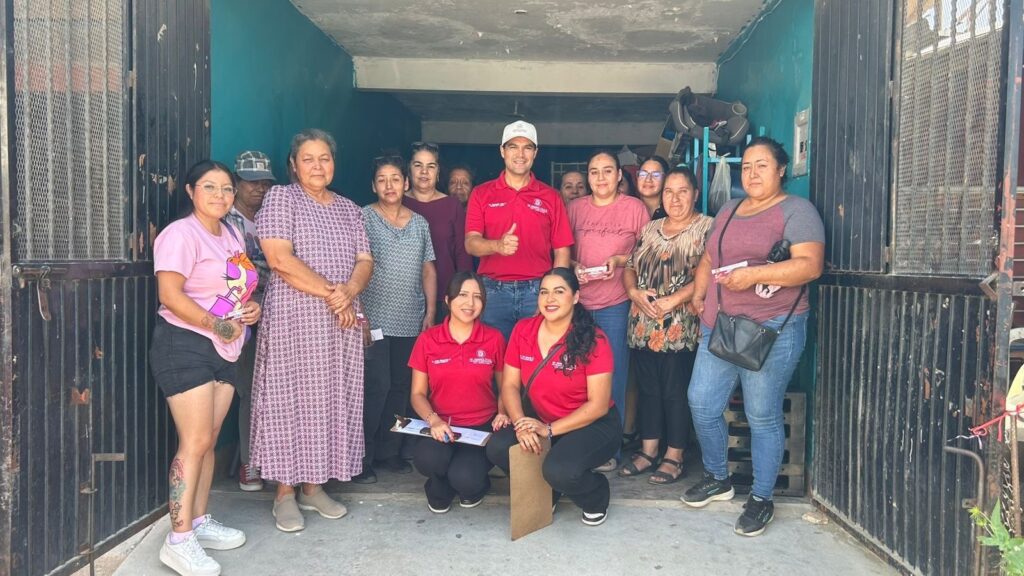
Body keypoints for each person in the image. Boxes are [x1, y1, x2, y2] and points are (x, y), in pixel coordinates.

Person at [683, 137, 824, 537]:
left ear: (781, 169)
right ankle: (718, 477)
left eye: (762, 165)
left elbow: (810, 266)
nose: (752, 173)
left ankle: (761, 498)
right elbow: (709, 258)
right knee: (702, 402)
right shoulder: (729, 210)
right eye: (746, 166)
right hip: (721, 325)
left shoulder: (797, 211)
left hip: (771, 327)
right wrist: (698, 294)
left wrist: (753, 276)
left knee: (761, 414)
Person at [250, 129, 373, 533]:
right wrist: (334, 295)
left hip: (340, 322)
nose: (318, 166)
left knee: (330, 398)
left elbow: (365, 261)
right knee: (290, 399)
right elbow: (279, 259)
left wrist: (349, 291)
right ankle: (284, 492)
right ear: (293, 164)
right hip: (296, 319)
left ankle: (313, 486)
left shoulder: (349, 208)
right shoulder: (281, 198)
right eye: (308, 158)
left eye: (325, 158)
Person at [150, 160, 261, 575]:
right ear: (191, 191)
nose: (220, 195)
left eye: (227, 188)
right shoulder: (180, 234)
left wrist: (251, 308)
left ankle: (197, 521)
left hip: (225, 348)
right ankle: (178, 540)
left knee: (209, 439)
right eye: (210, 187)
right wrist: (216, 324)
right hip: (186, 345)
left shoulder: (231, 233)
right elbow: (170, 294)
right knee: (194, 441)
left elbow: (237, 286)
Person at [486, 268, 621, 527]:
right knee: (499, 447)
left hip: (591, 425)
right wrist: (521, 424)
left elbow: (598, 405)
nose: (549, 299)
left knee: (560, 470)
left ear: (576, 297)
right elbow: (510, 385)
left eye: (559, 292)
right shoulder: (523, 330)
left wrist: (547, 430)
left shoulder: (595, 339)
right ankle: (549, 491)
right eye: (544, 292)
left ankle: (595, 495)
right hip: (541, 418)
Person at [620, 168, 712, 485]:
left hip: (681, 326)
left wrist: (675, 300)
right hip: (643, 325)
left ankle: (675, 455)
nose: (674, 198)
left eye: (682, 191)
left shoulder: (708, 228)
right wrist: (633, 292)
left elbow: (710, 274)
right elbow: (629, 267)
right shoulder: (650, 228)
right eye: (668, 192)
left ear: (695, 194)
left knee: (675, 392)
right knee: (649, 390)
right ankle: (648, 451)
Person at [357, 155, 437, 482]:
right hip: (373, 320)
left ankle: (390, 453)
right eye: (381, 179)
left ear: (406, 183)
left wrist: (430, 311)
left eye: (395, 179)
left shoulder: (420, 223)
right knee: (376, 387)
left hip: (409, 319)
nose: (389, 185)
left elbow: (428, 268)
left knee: (401, 388)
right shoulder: (362, 217)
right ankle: (361, 457)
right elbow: (352, 267)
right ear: (373, 185)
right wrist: (359, 315)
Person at [568, 151, 648, 472]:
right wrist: (574, 266)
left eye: (607, 171)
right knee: (574, 377)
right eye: (594, 171)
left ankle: (608, 450)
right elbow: (561, 250)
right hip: (578, 305)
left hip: (616, 304)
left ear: (618, 176)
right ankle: (574, 447)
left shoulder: (634, 209)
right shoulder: (575, 209)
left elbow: (647, 253)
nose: (600, 178)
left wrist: (620, 261)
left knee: (613, 378)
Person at [409, 272, 508, 512]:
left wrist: (503, 412)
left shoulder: (493, 338)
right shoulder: (428, 339)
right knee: (428, 460)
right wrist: (433, 420)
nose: (470, 303)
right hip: (441, 425)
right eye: (463, 295)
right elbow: (417, 394)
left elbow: (506, 386)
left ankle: (471, 484)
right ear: (447, 300)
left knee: (466, 480)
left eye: (477, 297)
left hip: (480, 427)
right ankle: (440, 483)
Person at [465, 120, 574, 340]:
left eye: (527, 147)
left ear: (535, 153)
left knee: (537, 353)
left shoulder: (551, 196)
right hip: (493, 292)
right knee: (495, 355)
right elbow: (471, 243)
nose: (520, 154)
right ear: (502, 151)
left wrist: (552, 294)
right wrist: (497, 245)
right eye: (513, 146)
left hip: (537, 290)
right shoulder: (481, 193)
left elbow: (562, 251)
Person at [224, 150, 275, 493]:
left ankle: (272, 459)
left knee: (275, 390)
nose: (258, 189)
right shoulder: (226, 220)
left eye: (264, 183)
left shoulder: (273, 216)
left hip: (277, 312)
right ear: (236, 182)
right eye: (250, 182)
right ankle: (249, 463)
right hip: (240, 315)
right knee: (251, 391)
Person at [404, 143, 472, 325]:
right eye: (418, 165)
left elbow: (462, 254)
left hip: (445, 295)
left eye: (431, 166)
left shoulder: (452, 205)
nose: (424, 172)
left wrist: (462, 294)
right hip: (403, 295)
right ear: (409, 169)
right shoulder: (398, 202)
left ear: (438, 172)